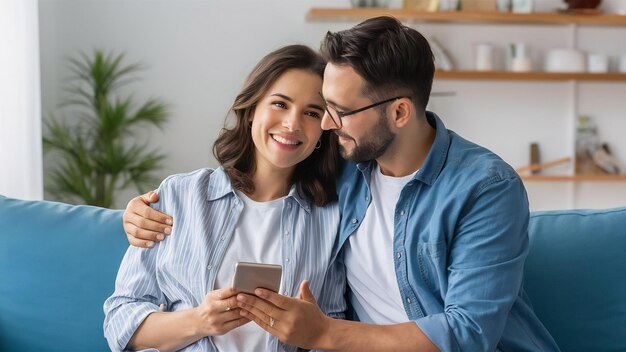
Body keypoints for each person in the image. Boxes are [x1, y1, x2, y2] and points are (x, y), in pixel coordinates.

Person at [123, 16, 560, 351]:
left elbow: (467, 334)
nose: (326, 124)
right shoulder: (347, 170)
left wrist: (326, 333)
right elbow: (264, 171)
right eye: (323, 108)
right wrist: (140, 210)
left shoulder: (486, 187)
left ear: (400, 113)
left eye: (335, 111)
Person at [103, 44, 347, 352]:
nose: (292, 124)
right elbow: (119, 322)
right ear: (251, 111)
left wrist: (314, 334)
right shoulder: (180, 196)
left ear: (323, 132)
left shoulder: (331, 218)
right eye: (280, 104)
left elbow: (337, 325)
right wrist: (200, 321)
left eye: (312, 113)